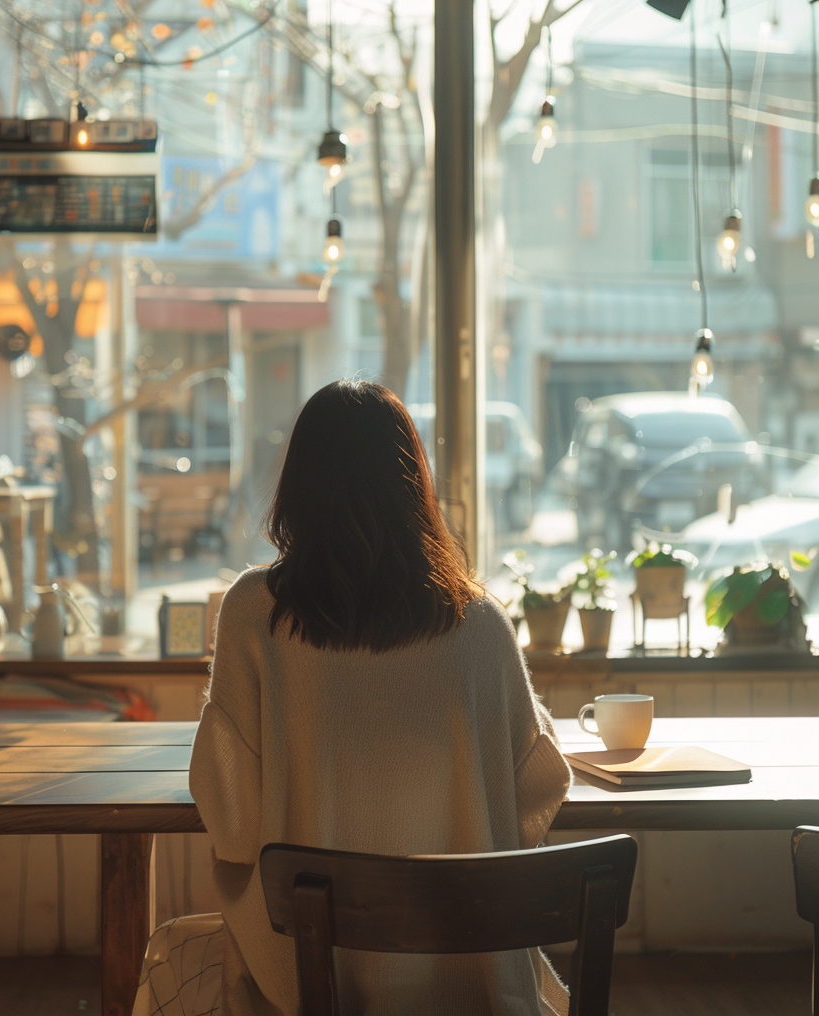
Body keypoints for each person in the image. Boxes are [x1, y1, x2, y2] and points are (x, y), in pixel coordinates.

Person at [133, 380, 571, 1016]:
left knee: (166, 955)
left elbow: (232, 818)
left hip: (310, 980)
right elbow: (537, 785)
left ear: (298, 487)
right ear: (413, 485)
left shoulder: (255, 614)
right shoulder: (481, 623)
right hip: (470, 985)